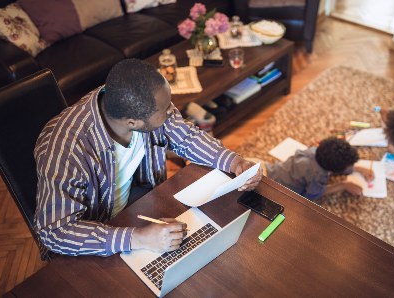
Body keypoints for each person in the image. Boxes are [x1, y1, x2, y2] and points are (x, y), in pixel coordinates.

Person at [34, 59, 262, 257]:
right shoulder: (64, 148)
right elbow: (55, 232)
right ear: (132, 123)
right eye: (164, 111)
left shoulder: (136, 101)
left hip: (140, 204)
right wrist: (139, 238)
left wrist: (234, 162)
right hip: (97, 234)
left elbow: (187, 137)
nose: (171, 112)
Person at [264, 137, 374, 200]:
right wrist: (343, 185)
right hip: (276, 191)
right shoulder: (317, 176)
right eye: (347, 166)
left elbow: (332, 163)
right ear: (333, 171)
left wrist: (357, 168)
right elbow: (313, 195)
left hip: (271, 171)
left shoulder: (313, 151)